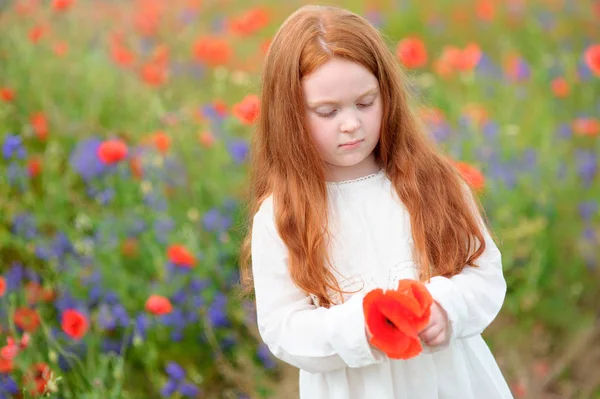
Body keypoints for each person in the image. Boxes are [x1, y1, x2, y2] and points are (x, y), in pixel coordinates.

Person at [239, 5, 514, 399]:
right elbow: (284, 328)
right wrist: (362, 329)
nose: (350, 123)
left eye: (365, 103)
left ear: (387, 94)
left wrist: (445, 309)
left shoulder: (434, 181)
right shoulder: (283, 214)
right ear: (290, 115)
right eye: (327, 111)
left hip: (453, 383)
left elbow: (485, 274)